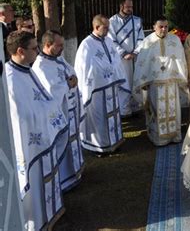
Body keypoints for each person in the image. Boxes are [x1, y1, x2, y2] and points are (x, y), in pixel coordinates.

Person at [3, 31, 69, 230]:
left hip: (44, 136)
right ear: (20, 51)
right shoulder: (10, 79)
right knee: (34, 186)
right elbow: (19, 118)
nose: (38, 51)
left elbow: (43, 98)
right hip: (31, 144)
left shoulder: (27, 70)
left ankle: (51, 213)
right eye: (34, 48)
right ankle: (37, 223)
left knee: (47, 180)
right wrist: (44, 115)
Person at [32, 30, 85, 191]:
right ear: (48, 45)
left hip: (70, 109)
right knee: (62, 144)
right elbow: (49, 92)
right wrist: (67, 84)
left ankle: (74, 172)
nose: (62, 48)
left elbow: (70, 73)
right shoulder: (40, 66)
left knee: (72, 142)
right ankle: (63, 180)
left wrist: (73, 80)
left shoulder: (58, 59)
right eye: (59, 45)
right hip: (59, 114)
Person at [75, 14, 127, 154]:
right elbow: (83, 69)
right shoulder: (86, 45)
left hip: (111, 86)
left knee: (113, 114)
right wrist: (88, 89)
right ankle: (99, 146)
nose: (108, 30)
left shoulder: (108, 41)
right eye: (105, 28)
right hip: (96, 90)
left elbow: (115, 58)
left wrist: (115, 75)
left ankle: (114, 141)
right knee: (99, 118)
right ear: (96, 27)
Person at [133, 16, 188, 146]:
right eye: (160, 27)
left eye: (166, 27)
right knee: (157, 110)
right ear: (154, 27)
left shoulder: (174, 40)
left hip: (171, 82)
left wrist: (182, 77)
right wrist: (143, 80)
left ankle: (174, 136)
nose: (164, 29)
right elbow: (142, 63)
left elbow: (181, 60)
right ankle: (159, 138)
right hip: (155, 83)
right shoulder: (147, 42)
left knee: (174, 109)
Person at [108, 0, 145, 117]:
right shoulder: (112, 21)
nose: (130, 9)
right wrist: (123, 53)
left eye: (131, 7)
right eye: (128, 7)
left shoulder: (137, 20)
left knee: (135, 81)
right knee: (123, 82)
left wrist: (135, 52)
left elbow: (141, 38)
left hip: (135, 58)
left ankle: (136, 108)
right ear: (121, 6)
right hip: (120, 59)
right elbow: (111, 40)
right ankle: (124, 111)